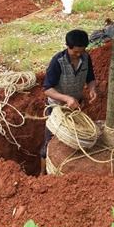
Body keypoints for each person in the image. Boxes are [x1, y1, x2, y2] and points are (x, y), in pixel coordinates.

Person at [40, 29, 97, 173]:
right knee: (49, 142)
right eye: (75, 52)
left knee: (72, 140)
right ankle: (43, 174)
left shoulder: (86, 58)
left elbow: (90, 78)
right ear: (67, 46)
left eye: (81, 51)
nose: (78, 55)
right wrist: (66, 98)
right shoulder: (58, 62)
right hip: (56, 108)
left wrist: (92, 89)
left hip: (75, 107)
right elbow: (47, 89)